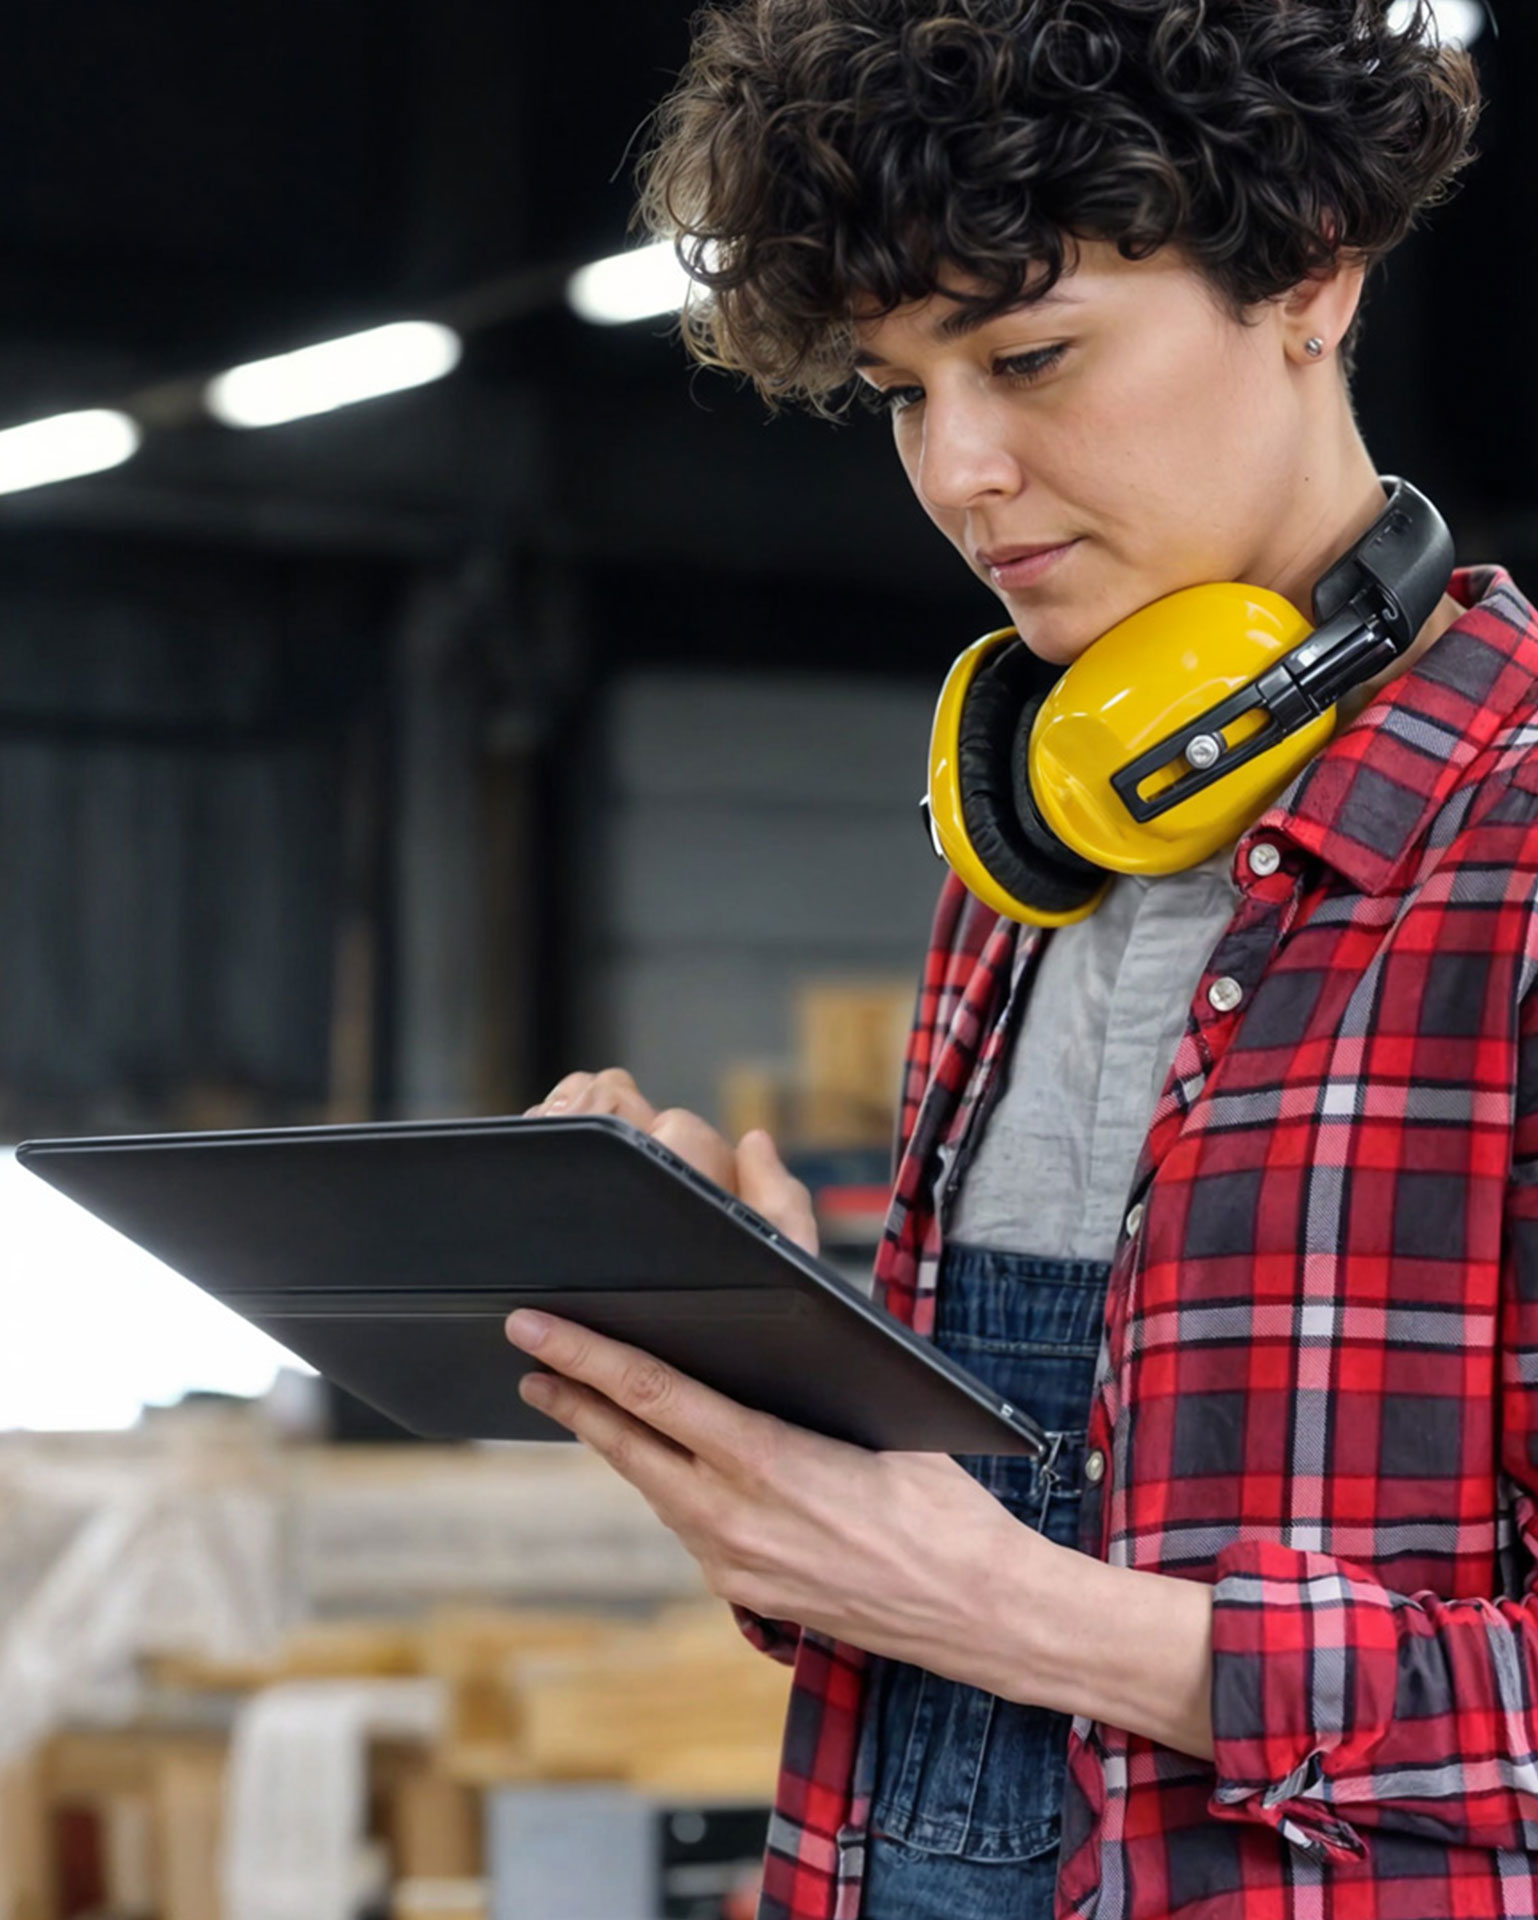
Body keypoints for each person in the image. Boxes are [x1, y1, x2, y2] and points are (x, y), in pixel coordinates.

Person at [502, 3, 1538, 1915]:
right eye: (903, 389)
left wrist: (1026, 1613)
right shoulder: (1034, 853)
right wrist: (769, 1406)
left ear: (1308, 279)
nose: (961, 467)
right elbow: (998, 1564)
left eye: (1029, 354)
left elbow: (1025, 1603)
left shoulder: (1512, 865)